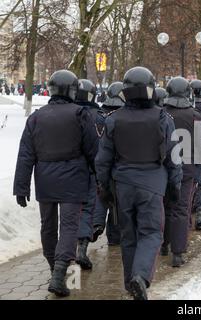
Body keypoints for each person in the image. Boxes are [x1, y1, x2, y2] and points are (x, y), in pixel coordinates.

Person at [95, 67, 182, 300]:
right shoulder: (163, 118)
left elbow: (102, 159)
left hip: (123, 185)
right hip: (153, 185)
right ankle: (140, 277)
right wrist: (175, 187)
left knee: (128, 236)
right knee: (152, 233)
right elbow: (174, 158)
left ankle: (130, 283)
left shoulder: (113, 119)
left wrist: (104, 187)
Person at [13, 70, 98, 297]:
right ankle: (61, 273)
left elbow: (25, 154)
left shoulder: (37, 117)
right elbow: (93, 150)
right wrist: (99, 176)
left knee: (47, 227)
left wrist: (21, 188)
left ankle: (54, 269)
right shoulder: (81, 114)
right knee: (69, 226)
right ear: (73, 90)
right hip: (74, 180)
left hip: (45, 180)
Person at [161, 77, 201, 266]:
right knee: (181, 209)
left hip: (164, 168)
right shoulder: (196, 117)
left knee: (166, 206)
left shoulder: (160, 114)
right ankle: (177, 252)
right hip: (187, 169)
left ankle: (164, 244)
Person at [91, 82, 125, 246]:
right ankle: (114, 237)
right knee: (115, 201)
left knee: (101, 194)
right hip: (116, 163)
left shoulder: (98, 115)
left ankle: (97, 223)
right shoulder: (122, 116)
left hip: (97, 163)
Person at [73, 79, 102, 271]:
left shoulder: (69, 114)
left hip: (68, 170)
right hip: (90, 170)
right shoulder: (98, 117)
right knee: (87, 209)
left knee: (69, 212)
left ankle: (64, 254)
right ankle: (81, 248)